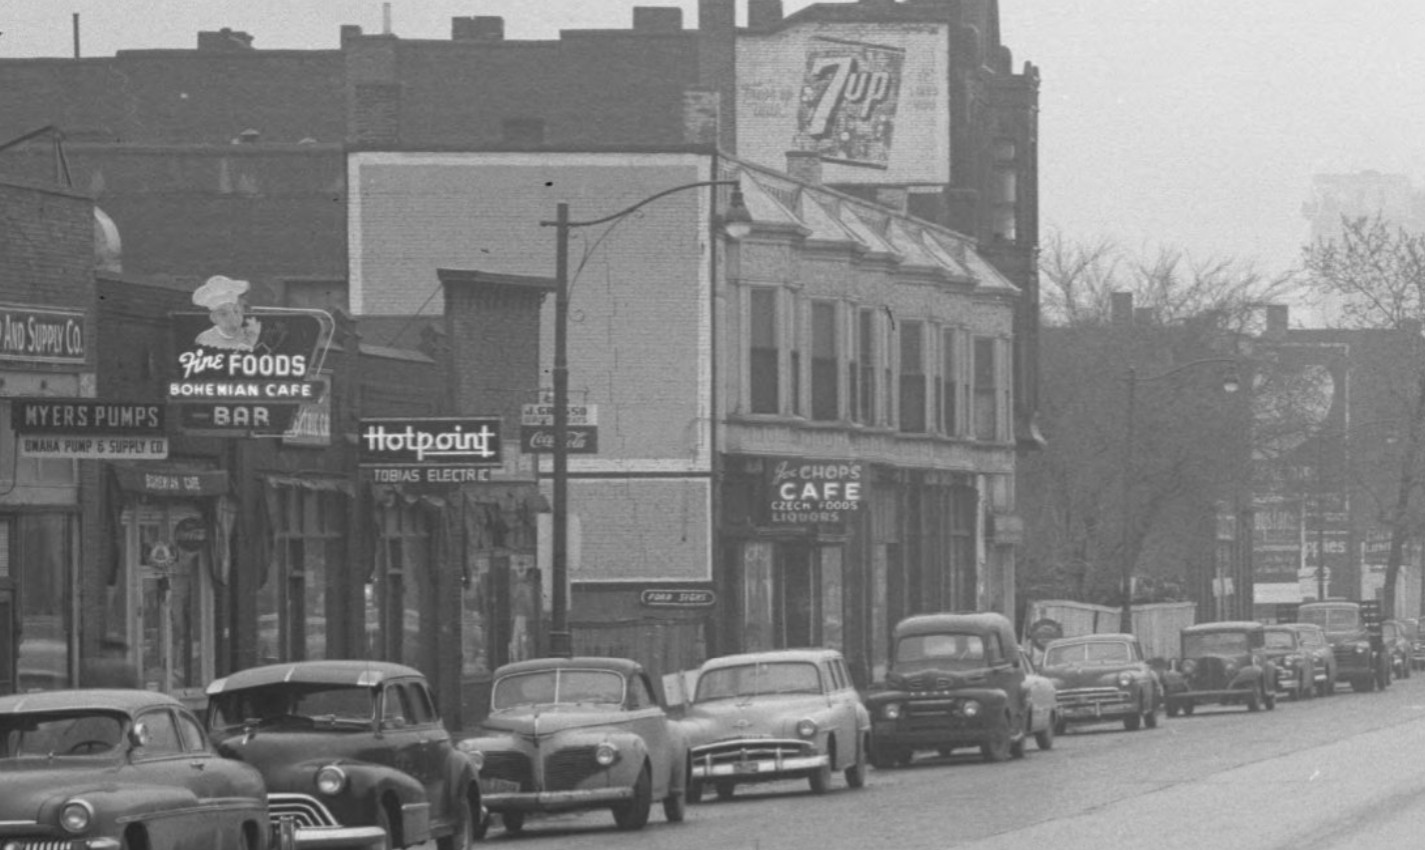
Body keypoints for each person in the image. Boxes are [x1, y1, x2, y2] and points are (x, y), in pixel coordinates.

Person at [193, 275, 262, 350]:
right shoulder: (205, 339)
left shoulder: (249, 334)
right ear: (213, 318)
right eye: (224, 314)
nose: (233, 318)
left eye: (236, 312)